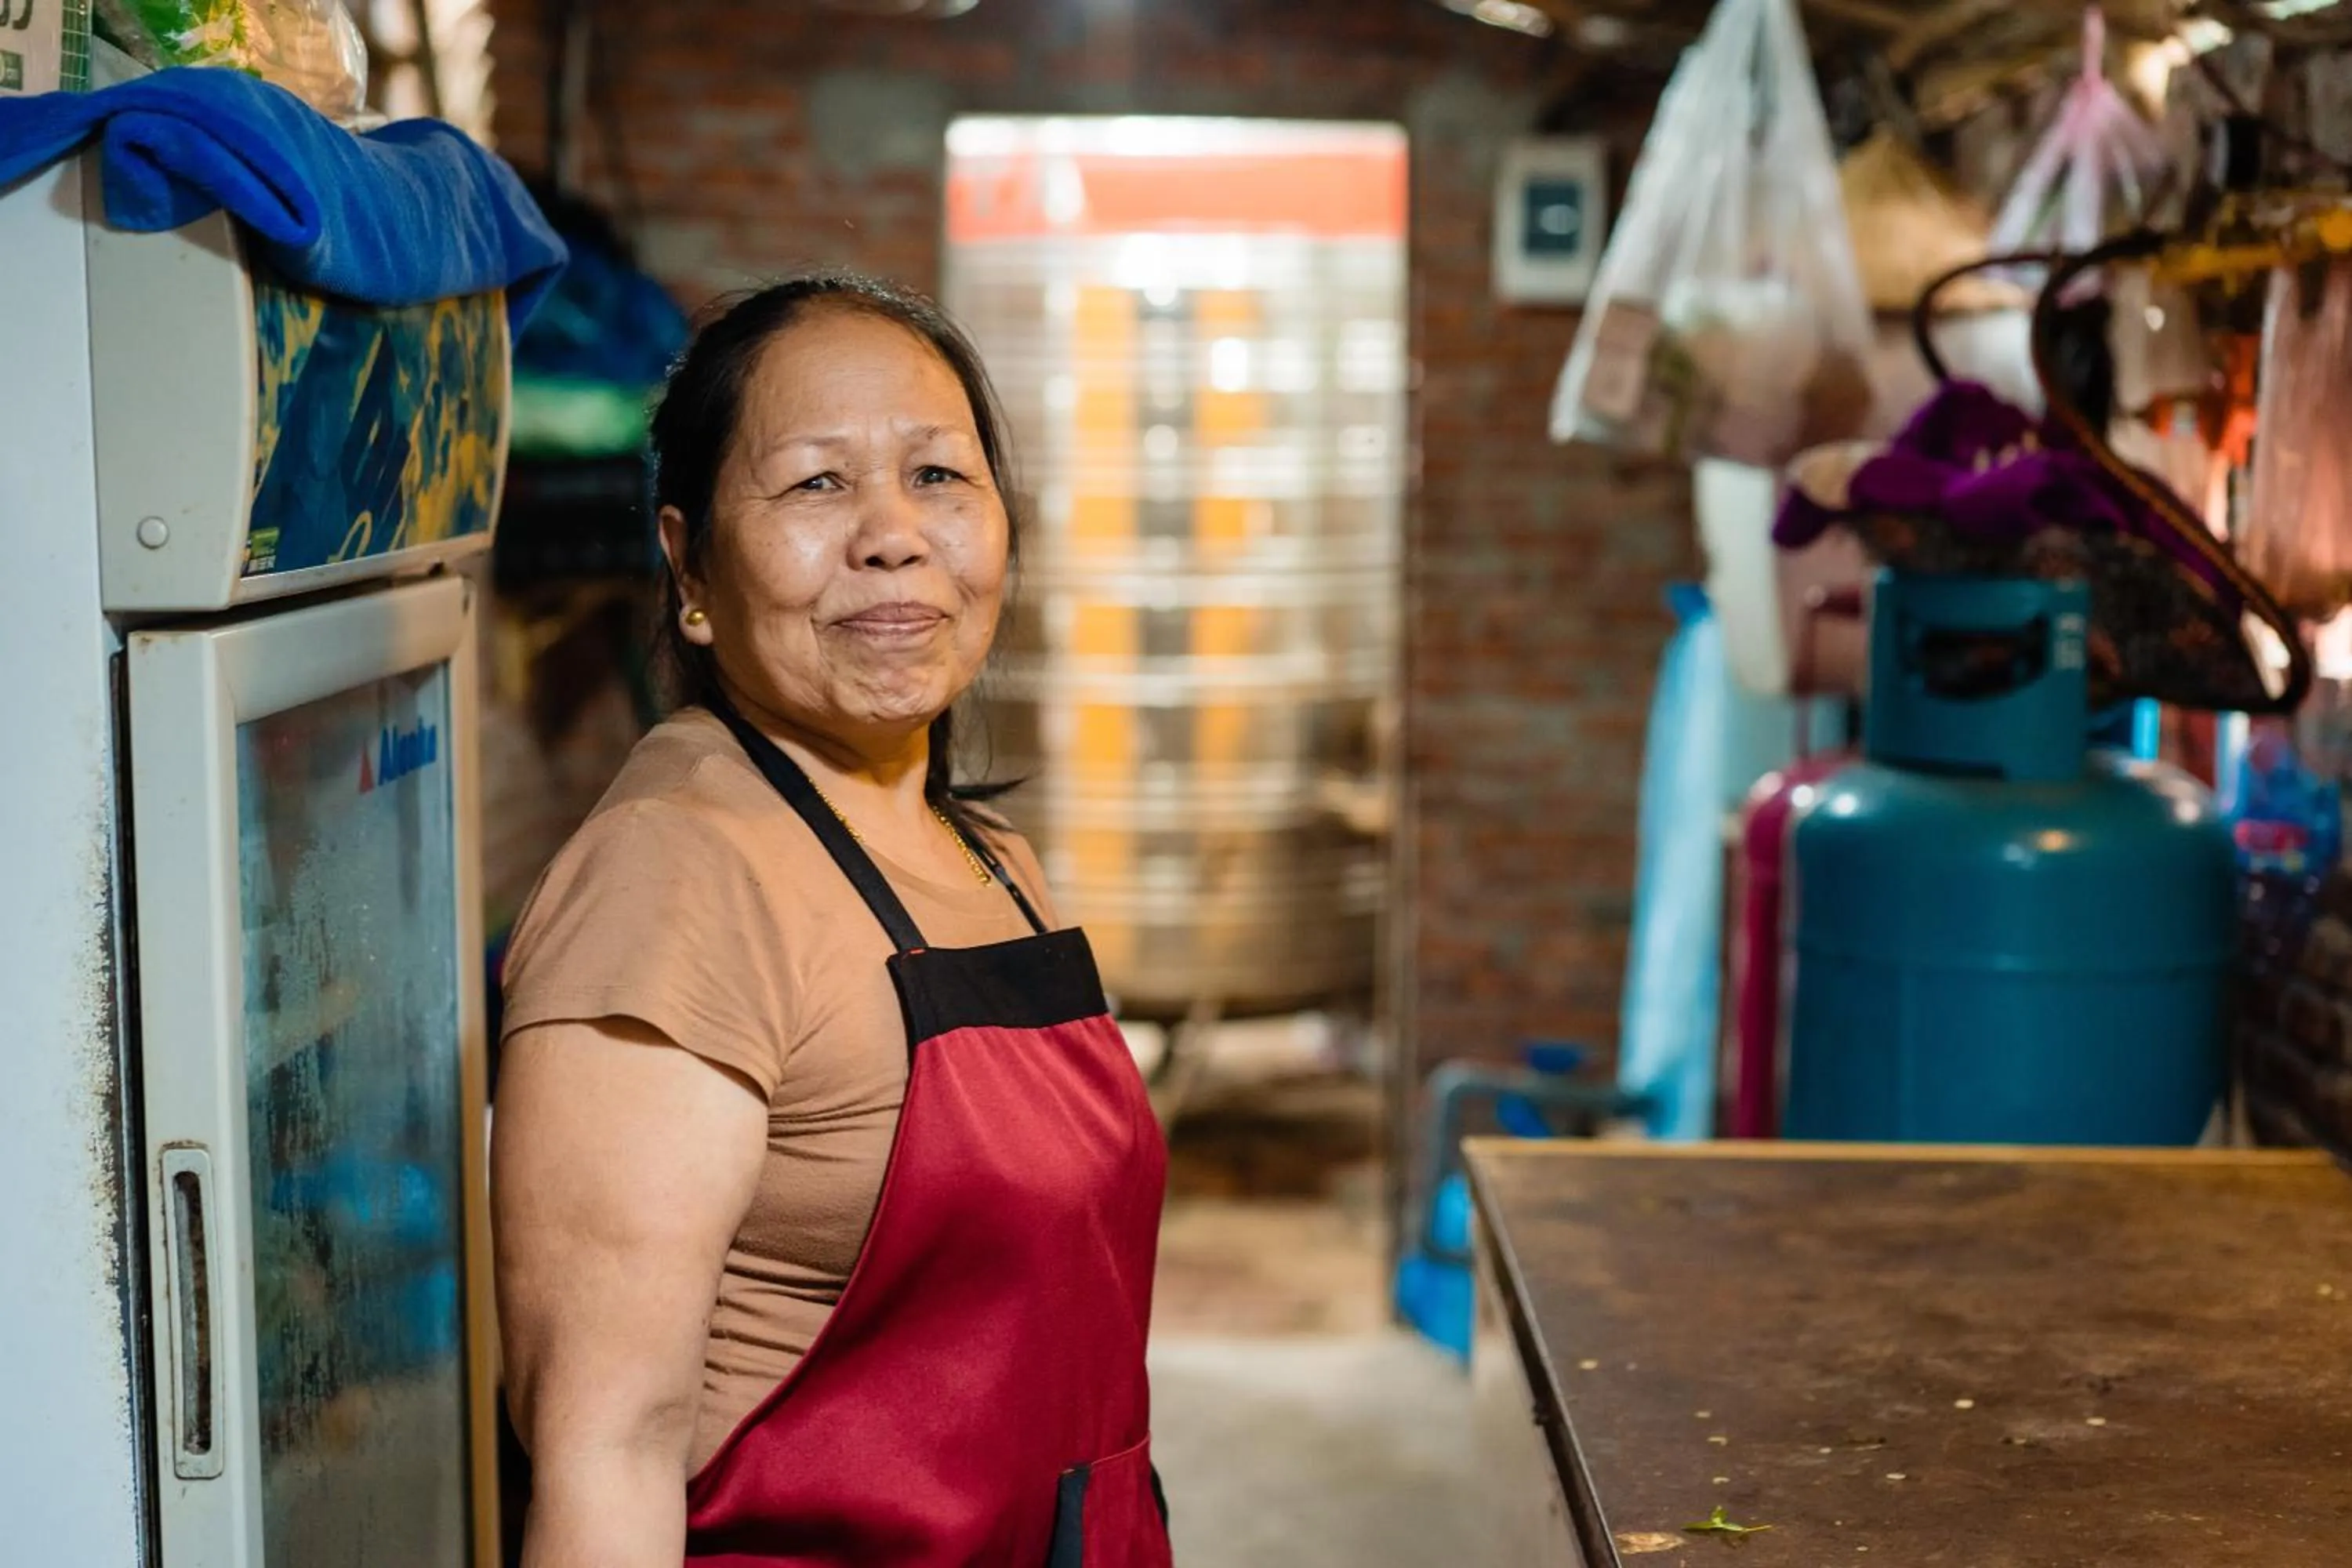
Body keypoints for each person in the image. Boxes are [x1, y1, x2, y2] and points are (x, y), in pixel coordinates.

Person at [492, 273, 1172, 1568]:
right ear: (689, 562)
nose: (891, 535)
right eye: (815, 485)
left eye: (937, 478)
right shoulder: (677, 880)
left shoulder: (987, 856)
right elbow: (604, 1453)